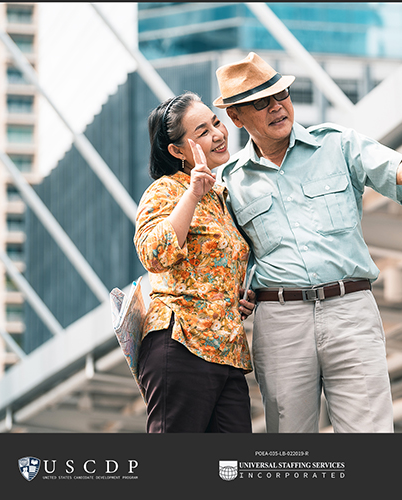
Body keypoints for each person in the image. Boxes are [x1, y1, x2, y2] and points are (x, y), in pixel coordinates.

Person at [214, 52, 402, 433]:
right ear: (236, 117)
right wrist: (235, 293)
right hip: (280, 321)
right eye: (260, 103)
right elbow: (224, 259)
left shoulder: (337, 144)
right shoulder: (228, 182)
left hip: (350, 310)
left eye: (281, 94)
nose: (277, 107)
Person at [134, 91, 256, 433]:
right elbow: (154, 254)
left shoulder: (221, 196)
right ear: (177, 151)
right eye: (202, 131)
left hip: (227, 352)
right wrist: (193, 193)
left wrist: (236, 295)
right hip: (181, 343)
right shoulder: (166, 191)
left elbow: (216, 264)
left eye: (216, 122)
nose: (217, 134)